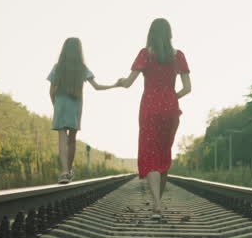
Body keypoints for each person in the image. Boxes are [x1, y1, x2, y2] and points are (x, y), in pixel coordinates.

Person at [111, 18, 191, 219]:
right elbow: (188, 88)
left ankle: (156, 204)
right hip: (171, 109)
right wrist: (172, 97)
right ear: (169, 34)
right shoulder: (178, 56)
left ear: (151, 34)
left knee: (151, 155)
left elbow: (129, 83)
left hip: (149, 109)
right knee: (163, 154)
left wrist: (120, 82)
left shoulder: (145, 54)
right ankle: (158, 202)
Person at [47, 37, 111, 183]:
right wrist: (114, 85)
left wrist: (55, 105)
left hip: (60, 103)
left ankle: (64, 172)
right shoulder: (82, 68)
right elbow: (97, 86)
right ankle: (68, 171)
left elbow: (51, 91)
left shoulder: (58, 67)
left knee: (62, 139)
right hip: (75, 104)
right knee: (72, 140)